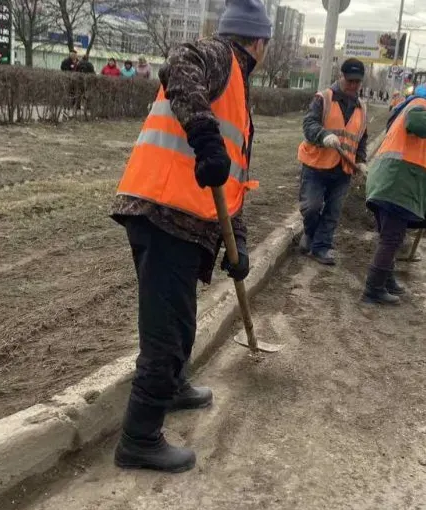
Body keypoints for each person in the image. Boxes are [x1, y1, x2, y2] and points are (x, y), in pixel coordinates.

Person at [109, 0, 271, 473]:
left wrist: (236, 247)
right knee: (167, 334)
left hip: (178, 218)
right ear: (258, 42)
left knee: (178, 320)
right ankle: (138, 439)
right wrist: (203, 135)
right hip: (163, 211)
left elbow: (231, 178)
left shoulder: (238, 90)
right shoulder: (220, 57)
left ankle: (174, 386)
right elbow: (178, 63)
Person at [361, 82, 426, 305]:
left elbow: (419, 163)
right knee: (392, 238)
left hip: (393, 183)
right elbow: (416, 121)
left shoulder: (422, 118)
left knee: (392, 237)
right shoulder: (418, 105)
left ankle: (386, 280)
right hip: (394, 184)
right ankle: (373, 289)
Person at [295, 58, 369, 265]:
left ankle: (321, 247)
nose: (353, 85)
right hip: (317, 164)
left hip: (344, 169)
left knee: (333, 211)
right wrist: (323, 135)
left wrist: (361, 160)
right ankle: (310, 233)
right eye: (350, 81)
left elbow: (361, 137)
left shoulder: (362, 107)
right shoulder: (324, 98)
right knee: (311, 206)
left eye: (357, 82)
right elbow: (309, 123)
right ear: (341, 77)